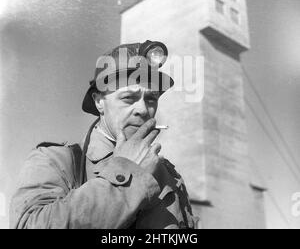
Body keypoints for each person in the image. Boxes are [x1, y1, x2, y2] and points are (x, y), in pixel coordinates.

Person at [10, 40, 197, 229]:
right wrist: (126, 172)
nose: (142, 109)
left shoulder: (168, 174)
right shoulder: (56, 161)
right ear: (99, 101)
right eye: (128, 98)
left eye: (151, 99)